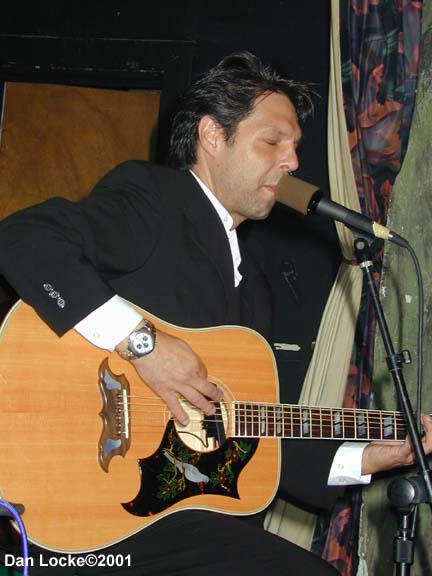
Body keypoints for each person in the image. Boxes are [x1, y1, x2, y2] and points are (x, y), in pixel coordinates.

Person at [0, 51, 431, 576]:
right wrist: (144, 345)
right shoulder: (155, 198)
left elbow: (251, 433)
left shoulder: (254, 290)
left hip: (159, 518)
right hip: (84, 511)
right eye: (273, 141)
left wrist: (365, 458)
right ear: (211, 136)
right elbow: (25, 239)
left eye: (295, 147)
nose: (294, 161)